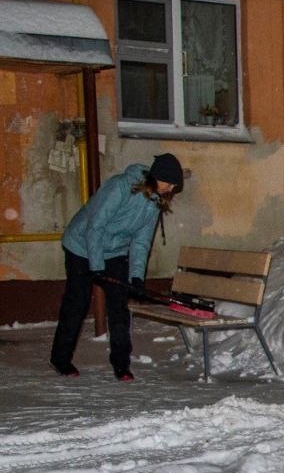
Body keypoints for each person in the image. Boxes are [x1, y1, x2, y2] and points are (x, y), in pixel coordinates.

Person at [49, 153, 184, 381]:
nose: (170, 189)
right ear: (155, 177)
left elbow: (141, 242)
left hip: (115, 252)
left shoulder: (154, 203)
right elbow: (96, 226)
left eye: (173, 186)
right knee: (77, 302)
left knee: (119, 308)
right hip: (82, 246)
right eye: (168, 183)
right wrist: (96, 265)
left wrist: (137, 277)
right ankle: (60, 358)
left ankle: (121, 364)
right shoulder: (119, 187)